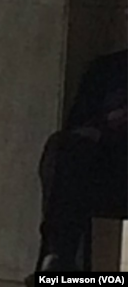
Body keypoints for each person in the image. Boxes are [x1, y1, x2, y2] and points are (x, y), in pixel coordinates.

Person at [34, 48, 128, 273]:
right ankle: (58, 257)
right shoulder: (106, 69)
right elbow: (78, 126)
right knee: (64, 150)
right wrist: (106, 125)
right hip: (112, 168)